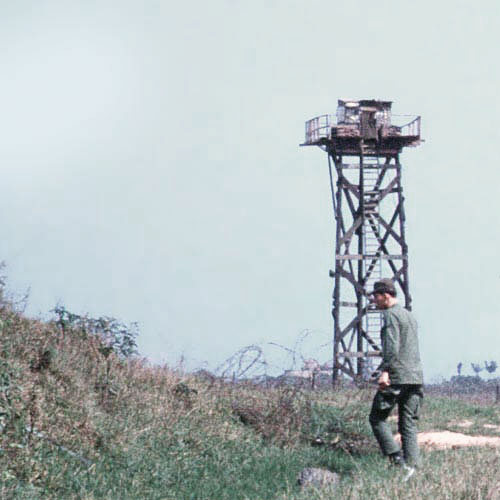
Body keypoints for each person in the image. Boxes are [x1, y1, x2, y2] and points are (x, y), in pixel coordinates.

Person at [368, 278, 424, 481]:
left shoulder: (391, 315)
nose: (374, 300)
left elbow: (391, 348)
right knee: (408, 422)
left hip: (397, 376)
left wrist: (385, 371)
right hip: (415, 377)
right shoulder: (409, 315)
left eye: (376, 296)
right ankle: (414, 468)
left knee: (377, 418)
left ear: (385, 295)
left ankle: (397, 461)